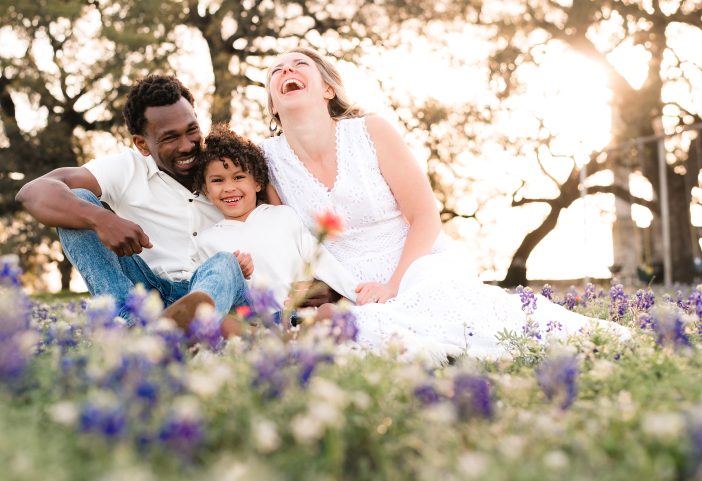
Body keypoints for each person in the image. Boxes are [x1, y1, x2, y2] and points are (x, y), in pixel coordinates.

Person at [260, 47, 629, 358]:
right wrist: (320, 289)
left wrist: (393, 284)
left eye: (299, 64)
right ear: (273, 106)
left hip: (416, 263)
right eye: (276, 71)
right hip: (347, 286)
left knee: (442, 298)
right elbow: (287, 239)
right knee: (336, 325)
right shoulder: (267, 160)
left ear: (327, 89)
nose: (287, 70)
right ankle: (420, 351)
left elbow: (424, 215)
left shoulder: (371, 131)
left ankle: (455, 347)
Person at [15, 74, 250, 329]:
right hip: (145, 294)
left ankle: (194, 327)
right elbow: (32, 192)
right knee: (78, 202)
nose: (186, 146)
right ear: (142, 144)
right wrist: (101, 219)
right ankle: (130, 324)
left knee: (226, 262)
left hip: (214, 292)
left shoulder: (229, 170)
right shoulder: (127, 168)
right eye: (170, 138)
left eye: (192, 130)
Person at [192, 124, 359, 309]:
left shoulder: (283, 216)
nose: (229, 187)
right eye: (218, 180)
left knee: (328, 312)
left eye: (238, 177)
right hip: (256, 324)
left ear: (257, 182)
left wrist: (356, 292)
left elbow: (320, 259)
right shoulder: (208, 241)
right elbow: (216, 293)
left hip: (301, 315)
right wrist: (235, 275)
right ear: (206, 190)